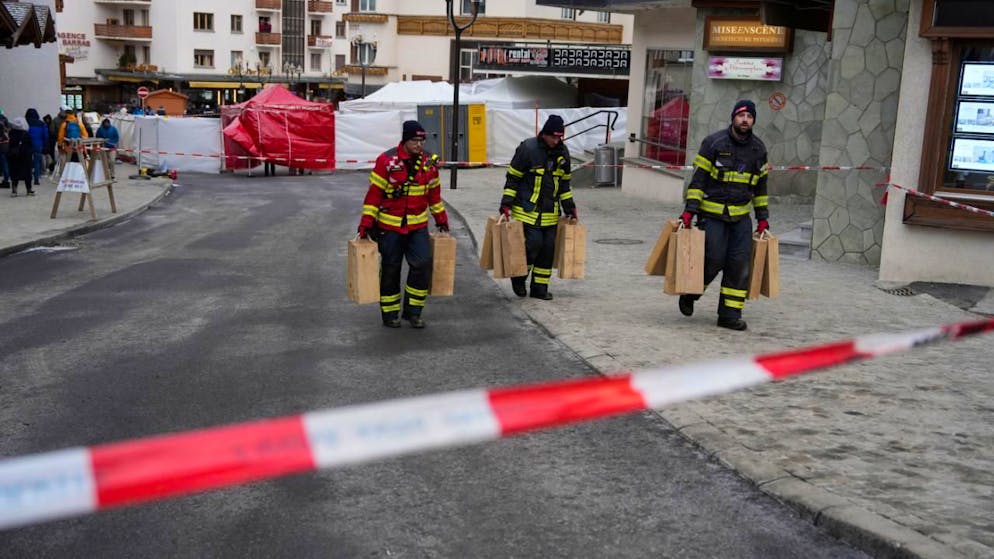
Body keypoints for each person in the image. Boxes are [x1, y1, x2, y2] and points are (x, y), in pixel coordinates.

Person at [677, 99, 770, 331]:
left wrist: (763, 218)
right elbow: (698, 181)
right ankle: (691, 294)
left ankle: (729, 315)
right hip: (713, 215)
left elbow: (761, 188)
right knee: (713, 259)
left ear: (753, 120)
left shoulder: (759, 150)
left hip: (740, 219)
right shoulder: (713, 143)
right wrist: (690, 211)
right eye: (741, 116)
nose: (745, 120)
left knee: (739, 266)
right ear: (733, 118)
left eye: (749, 116)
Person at [357, 120, 448, 329]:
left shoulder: (428, 163)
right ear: (405, 140)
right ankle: (389, 314)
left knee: (422, 265)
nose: (419, 144)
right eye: (415, 140)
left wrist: (441, 219)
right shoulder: (386, 161)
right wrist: (366, 223)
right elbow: (374, 195)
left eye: (422, 140)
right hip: (390, 228)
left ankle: (413, 312)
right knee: (391, 269)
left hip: (418, 226)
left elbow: (434, 195)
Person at [499, 114, 577, 300]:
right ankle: (519, 278)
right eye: (553, 137)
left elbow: (565, 184)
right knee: (533, 246)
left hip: (551, 213)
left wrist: (570, 208)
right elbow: (513, 178)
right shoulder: (528, 148)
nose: (556, 141)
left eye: (559, 137)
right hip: (527, 211)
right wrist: (506, 204)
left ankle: (539, 289)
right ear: (544, 134)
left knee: (547, 252)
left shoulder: (563, 152)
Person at [6, 118, 36, 196]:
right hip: (25, 157)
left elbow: (9, 146)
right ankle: (29, 190)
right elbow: (30, 146)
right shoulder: (26, 134)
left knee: (14, 174)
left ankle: (14, 190)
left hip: (14, 157)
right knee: (27, 174)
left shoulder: (11, 134)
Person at [25, 108, 49, 186]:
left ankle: (27, 177)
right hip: (38, 144)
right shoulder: (42, 124)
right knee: (37, 162)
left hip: (27, 144)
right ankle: (36, 179)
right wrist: (45, 145)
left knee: (27, 162)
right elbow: (45, 136)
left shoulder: (26, 123)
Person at [0, 108, 10, 188]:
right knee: (5, 163)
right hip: (5, 145)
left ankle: (6, 180)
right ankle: (6, 179)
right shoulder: (5, 120)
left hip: (2, 145)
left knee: (4, 162)